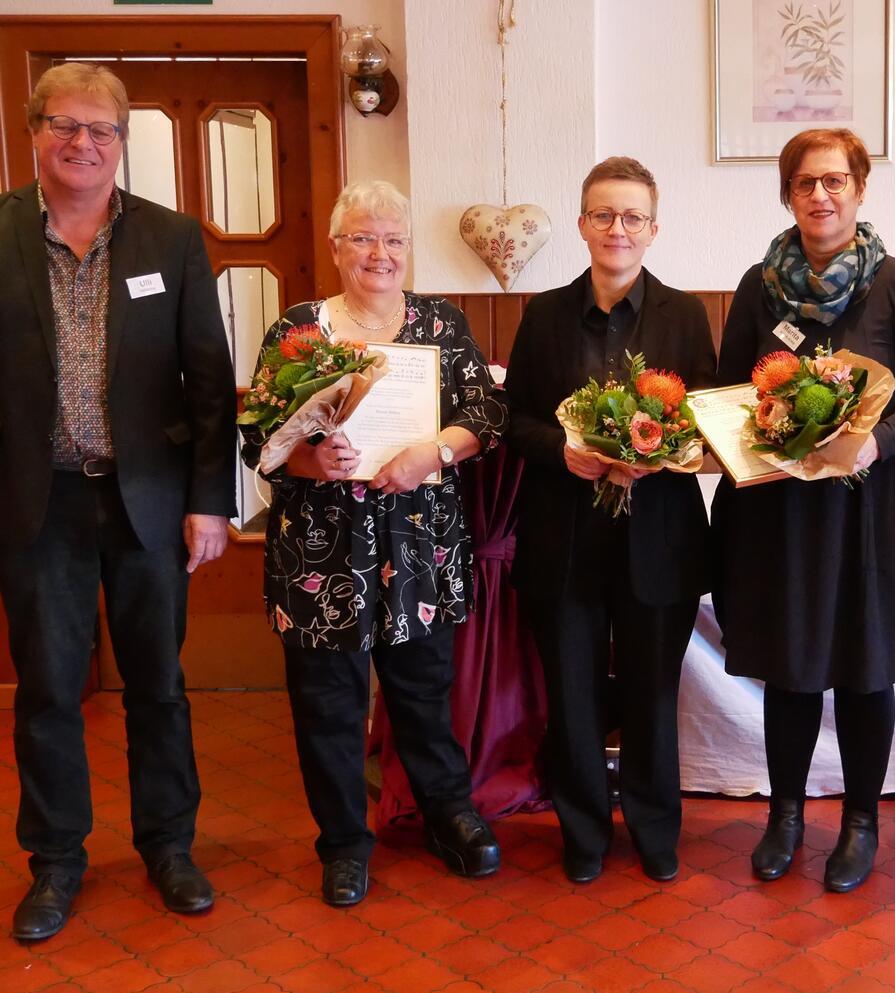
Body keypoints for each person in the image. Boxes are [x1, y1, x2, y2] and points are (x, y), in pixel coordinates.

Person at [0, 63, 236, 940]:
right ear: (34, 133)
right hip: (35, 505)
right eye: (64, 124)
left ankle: (169, 846)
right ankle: (57, 859)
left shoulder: (169, 240)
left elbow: (208, 382)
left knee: (159, 686)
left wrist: (211, 500)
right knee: (50, 690)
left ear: (122, 143)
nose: (83, 142)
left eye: (101, 129)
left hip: (146, 501)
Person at [241, 180, 508, 907]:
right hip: (322, 554)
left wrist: (437, 453)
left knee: (423, 691)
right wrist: (308, 458)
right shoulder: (300, 331)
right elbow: (258, 437)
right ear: (335, 248)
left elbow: (484, 414)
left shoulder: (441, 325)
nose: (379, 253)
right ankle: (343, 843)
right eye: (362, 237)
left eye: (393, 238)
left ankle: (447, 813)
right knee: (328, 701)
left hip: (420, 543)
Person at [711, 129, 895, 892]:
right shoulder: (759, 285)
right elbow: (728, 392)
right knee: (790, 672)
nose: (821, 194)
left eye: (836, 181)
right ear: (788, 193)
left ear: (860, 190)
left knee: (863, 670)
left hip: (870, 515)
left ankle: (859, 820)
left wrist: (878, 442)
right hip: (780, 518)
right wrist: (757, 432)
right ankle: (784, 815)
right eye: (807, 182)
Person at [506, 157, 715, 884]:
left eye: (631, 217)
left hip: (660, 536)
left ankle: (657, 828)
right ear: (582, 224)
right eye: (603, 215)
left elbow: (706, 421)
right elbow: (515, 422)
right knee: (574, 690)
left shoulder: (684, 314)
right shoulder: (543, 314)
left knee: (654, 691)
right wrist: (565, 453)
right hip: (564, 535)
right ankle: (585, 831)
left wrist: (664, 457)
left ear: (653, 229)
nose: (617, 228)